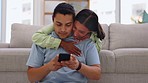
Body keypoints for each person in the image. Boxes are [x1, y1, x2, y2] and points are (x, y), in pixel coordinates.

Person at [26, 3, 103, 83]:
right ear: (53, 21)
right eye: (58, 24)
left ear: (73, 22)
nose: (63, 29)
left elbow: (97, 74)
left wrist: (78, 66)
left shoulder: (87, 43)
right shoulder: (42, 42)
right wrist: (48, 67)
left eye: (68, 25)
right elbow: (31, 78)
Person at [32, 9, 105, 56]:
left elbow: (95, 53)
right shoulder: (62, 25)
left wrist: (85, 41)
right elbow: (36, 36)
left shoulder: (94, 38)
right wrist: (62, 43)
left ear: (90, 32)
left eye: (81, 32)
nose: (75, 34)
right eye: (74, 27)